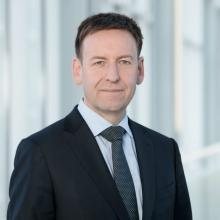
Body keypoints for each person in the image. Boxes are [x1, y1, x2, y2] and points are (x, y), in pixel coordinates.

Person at [7, 12, 192, 220]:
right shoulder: (41, 153)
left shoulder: (165, 150)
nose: (113, 76)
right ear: (78, 70)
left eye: (124, 61)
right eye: (99, 62)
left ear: (140, 69)